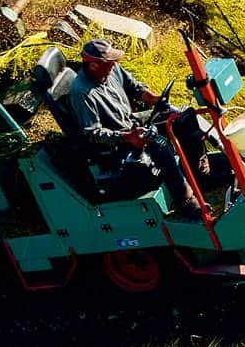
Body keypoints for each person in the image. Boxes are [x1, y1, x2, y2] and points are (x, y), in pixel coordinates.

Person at [67, 38, 214, 220]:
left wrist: (151, 98)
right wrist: (127, 137)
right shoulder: (81, 92)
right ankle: (187, 203)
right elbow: (93, 133)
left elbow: (134, 87)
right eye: (109, 62)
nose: (114, 65)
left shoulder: (111, 70)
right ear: (94, 65)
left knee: (184, 116)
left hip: (132, 122)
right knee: (160, 145)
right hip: (118, 142)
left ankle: (199, 171)